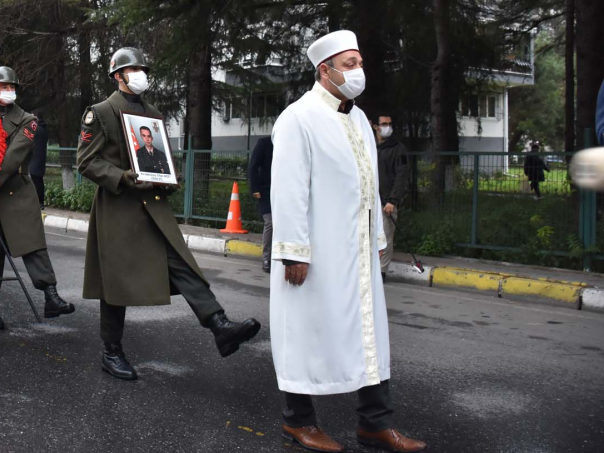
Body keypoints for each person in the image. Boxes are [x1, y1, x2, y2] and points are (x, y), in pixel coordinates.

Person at [269, 30, 425, 452]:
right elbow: (288, 189)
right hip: (314, 251)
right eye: (350, 64)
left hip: (356, 250)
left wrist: (377, 238)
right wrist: (293, 251)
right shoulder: (297, 118)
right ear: (325, 70)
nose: (359, 71)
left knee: (369, 331)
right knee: (304, 328)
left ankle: (374, 423)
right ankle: (297, 421)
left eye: (360, 62)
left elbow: (369, 185)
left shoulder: (358, 119)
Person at [78, 47, 261, 381]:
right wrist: (122, 177)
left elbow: (159, 156)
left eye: (142, 69)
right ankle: (111, 352)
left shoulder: (152, 112)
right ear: (118, 75)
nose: (140, 75)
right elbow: (87, 162)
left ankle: (219, 325)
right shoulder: (101, 112)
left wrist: (170, 177)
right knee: (114, 283)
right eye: (133, 69)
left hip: (155, 207)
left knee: (182, 264)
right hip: (119, 209)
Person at [0, 66, 74, 328]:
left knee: (33, 243)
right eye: (4, 87)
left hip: (16, 187)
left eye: (12, 87)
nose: (9, 91)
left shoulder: (27, 120)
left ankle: (50, 295)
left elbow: (13, 156)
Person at [375, 115, 409, 278]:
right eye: (384, 124)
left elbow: (401, 175)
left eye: (389, 123)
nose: (387, 127)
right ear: (376, 127)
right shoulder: (369, 145)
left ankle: (382, 271)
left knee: (386, 237)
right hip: (369, 201)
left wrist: (392, 200)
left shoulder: (398, 148)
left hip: (386, 202)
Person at [247, 135, 273, 273]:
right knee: (270, 221)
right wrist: (254, 188)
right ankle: (266, 258)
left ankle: (278, 256)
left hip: (284, 190)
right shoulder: (264, 143)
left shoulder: (289, 143)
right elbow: (253, 166)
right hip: (266, 190)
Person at [28, 110, 48, 209]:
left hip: (36, 158)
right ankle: (40, 202)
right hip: (39, 158)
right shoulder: (43, 128)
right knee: (38, 180)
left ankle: (38, 203)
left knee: (36, 181)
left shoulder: (37, 129)